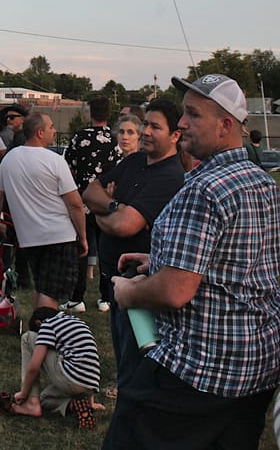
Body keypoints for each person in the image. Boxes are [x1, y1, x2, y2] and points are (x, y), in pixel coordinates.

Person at [104, 73, 280, 449]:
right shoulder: (261, 181)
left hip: (197, 373)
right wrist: (162, 258)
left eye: (193, 115)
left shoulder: (204, 189)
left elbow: (174, 291)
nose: (181, 123)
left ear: (226, 125)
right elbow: (242, 261)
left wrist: (127, 293)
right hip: (255, 371)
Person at [83, 96, 185, 395]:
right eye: (146, 125)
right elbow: (90, 191)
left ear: (175, 135)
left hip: (140, 281)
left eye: (156, 127)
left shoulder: (170, 176)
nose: (146, 132)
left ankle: (131, 395)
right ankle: (125, 386)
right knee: (121, 346)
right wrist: (113, 205)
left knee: (135, 354)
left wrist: (101, 212)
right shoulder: (135, 161)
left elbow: (124, 226)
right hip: (116, 276)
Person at [0, 110, 87, 311]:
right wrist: (83, 236)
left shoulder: (10, 158)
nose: (54, 130)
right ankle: (44, 328)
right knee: (51, 293)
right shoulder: (55, 160)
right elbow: (75, 203)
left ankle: (37, 327)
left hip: (29, 238)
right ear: (40, 132)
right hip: (59, 236)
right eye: (51, 127)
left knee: (42, 287)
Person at [0, 306, 103, 428]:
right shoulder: (77, 322)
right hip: (90, 383)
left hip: (71, 378)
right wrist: (91, 402)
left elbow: (34, 367)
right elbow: (87, 360)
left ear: (38, 323)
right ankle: (77, 406)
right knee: (44, 398)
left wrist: (23, 393)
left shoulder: (48, 324)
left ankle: (31, 404)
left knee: (27, 338)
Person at [63, 96, 122, 314]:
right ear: (109, 113)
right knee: (106, 249)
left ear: (90, 113)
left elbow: (68, 167)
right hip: (105, 202)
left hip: (81, 201)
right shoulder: (114, 141)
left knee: (81, 247)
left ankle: (77, 298)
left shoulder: (79, 138)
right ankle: (105, 297)